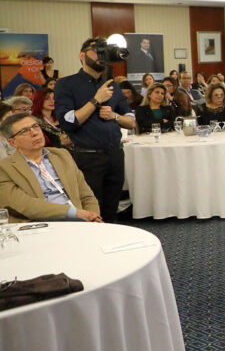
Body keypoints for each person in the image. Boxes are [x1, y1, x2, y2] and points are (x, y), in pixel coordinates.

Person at [54, 37, 137, 222]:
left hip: (115, 154)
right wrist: (95, 101)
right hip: (87, 157)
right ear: (82, 56)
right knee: (91, 209)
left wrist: (114, 116)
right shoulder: (66, 84)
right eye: (96, 50)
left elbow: (131, 121)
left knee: (111, 208)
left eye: (104, 51)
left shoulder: (112, 85)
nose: (101, 55)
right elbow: (68, 122)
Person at [0, 113, 101, 222]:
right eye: (24, 131)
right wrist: (74, 213)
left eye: (35, 126)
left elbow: (86, 195)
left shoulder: (62, 155)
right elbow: (26, 206)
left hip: (80, 220)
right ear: (12, 142)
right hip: (41, 224)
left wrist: (93, 217)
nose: (34, 133)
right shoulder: (5, 168)